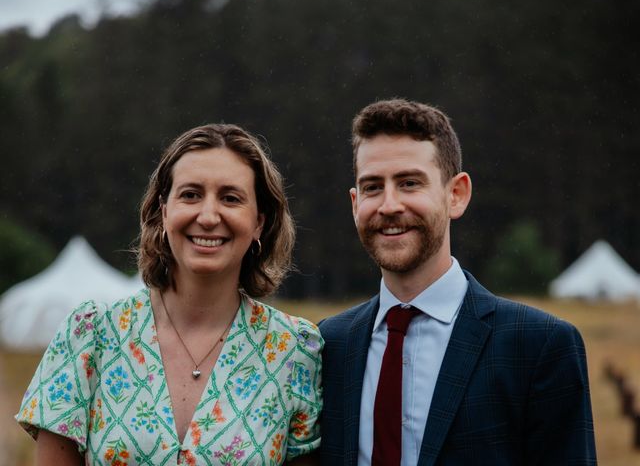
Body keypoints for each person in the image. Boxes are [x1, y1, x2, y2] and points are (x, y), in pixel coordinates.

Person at [16, 124, 323, 465]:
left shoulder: (295, 351)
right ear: (164, 211)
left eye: (231, 198)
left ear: (259, 223)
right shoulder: (91, 334)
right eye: (190, 195)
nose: (208, 217)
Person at [319, 99, 596, 465]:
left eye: (409, 183)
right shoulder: (329, 345)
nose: (388, 205)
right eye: (372, 187)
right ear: (355, 203)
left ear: (456, 194)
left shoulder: (540, 346)